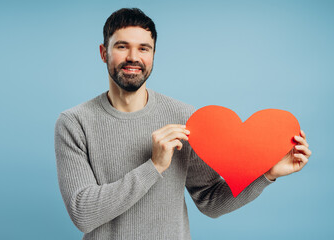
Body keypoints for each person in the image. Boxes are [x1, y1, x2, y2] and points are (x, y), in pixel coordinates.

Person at [54, 8, 311, 240]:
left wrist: (267, 175)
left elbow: (210, 200)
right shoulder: (74, 123)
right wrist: (154, 166)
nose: (133, 57)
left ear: (153, 55)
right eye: (122, 46)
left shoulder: (184, 118)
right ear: (103, 52)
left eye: (144, 48)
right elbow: (83, 214)